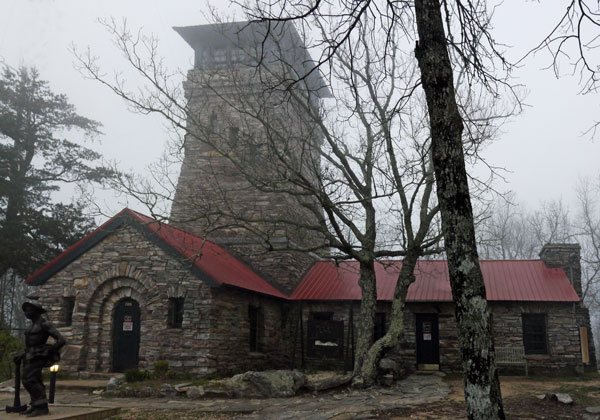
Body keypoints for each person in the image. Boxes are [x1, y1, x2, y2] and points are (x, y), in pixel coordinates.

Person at [13, 301, 66, 417]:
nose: (26, 313)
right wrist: (22, 355)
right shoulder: (31, 326)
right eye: (25, 310)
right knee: (34, 380)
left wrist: (48, 351)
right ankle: (36, 406)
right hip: (29, 355)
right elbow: (30, 346)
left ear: (35, 311)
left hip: (39, 356)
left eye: (28, 310)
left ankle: (42, 407)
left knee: (28, 380)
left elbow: (61, 340)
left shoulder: (44, 324)